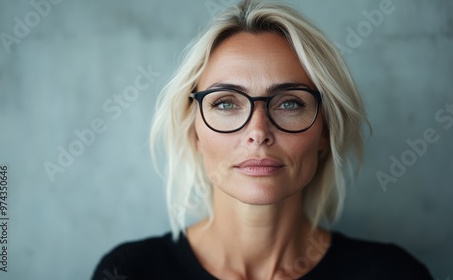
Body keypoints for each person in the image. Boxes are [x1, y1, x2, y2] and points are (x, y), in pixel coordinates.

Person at [92, 0, 433, 279]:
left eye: (289, 103)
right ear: (194, 128)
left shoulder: (393, 274)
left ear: (325, 131)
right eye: (225, 103)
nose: (258, 132)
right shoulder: (130, 271)